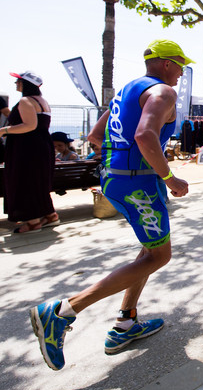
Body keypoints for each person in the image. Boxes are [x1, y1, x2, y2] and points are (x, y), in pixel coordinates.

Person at [29, 39, 192, 370]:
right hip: (140, 184)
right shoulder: (163, 93)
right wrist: (168, 177)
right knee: (160, 255)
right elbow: (145, 136)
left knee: (149, 250)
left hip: (117, 180)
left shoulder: (128, 91)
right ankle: (62, 311)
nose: (180, 73)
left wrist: (119, 165)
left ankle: (126, 323)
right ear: (166, 64)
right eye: (179, 65)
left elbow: (94, 136)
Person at [1, 71, 60, 234]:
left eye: (18, 81)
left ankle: (33, 222)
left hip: (26, 148)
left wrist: (3, 130)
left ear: (26, 84)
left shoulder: (26, 101)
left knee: (25, 182)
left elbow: (29, 125)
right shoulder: (43, 101)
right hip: (42, 146)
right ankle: (49, 215)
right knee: (38, 181)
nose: (16, 84)